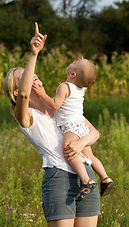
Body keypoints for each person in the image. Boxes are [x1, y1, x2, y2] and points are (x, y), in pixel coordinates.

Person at [3, 22, 101, 227]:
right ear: (17, 91)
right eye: (26, 76)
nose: (34, 76)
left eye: (33, 73)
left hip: (87, 176)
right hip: (59, 177)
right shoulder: (26, 115)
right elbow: (26, 96)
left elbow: (95, 133)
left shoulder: (61, 106)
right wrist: (34, 54)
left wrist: (79, 143)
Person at [33, 55, 114, 200]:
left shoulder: (64, 87)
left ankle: (86, 181)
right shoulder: (82, 89)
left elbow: (55, 105)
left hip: (71, 126)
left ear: (73, 74)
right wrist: (83, 67)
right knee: (89, 156)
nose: (72, 62)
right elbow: (86, 81)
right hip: (82, 125)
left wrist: (42, 94)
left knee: (69, 152)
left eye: (74, 63)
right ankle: (105, 177)